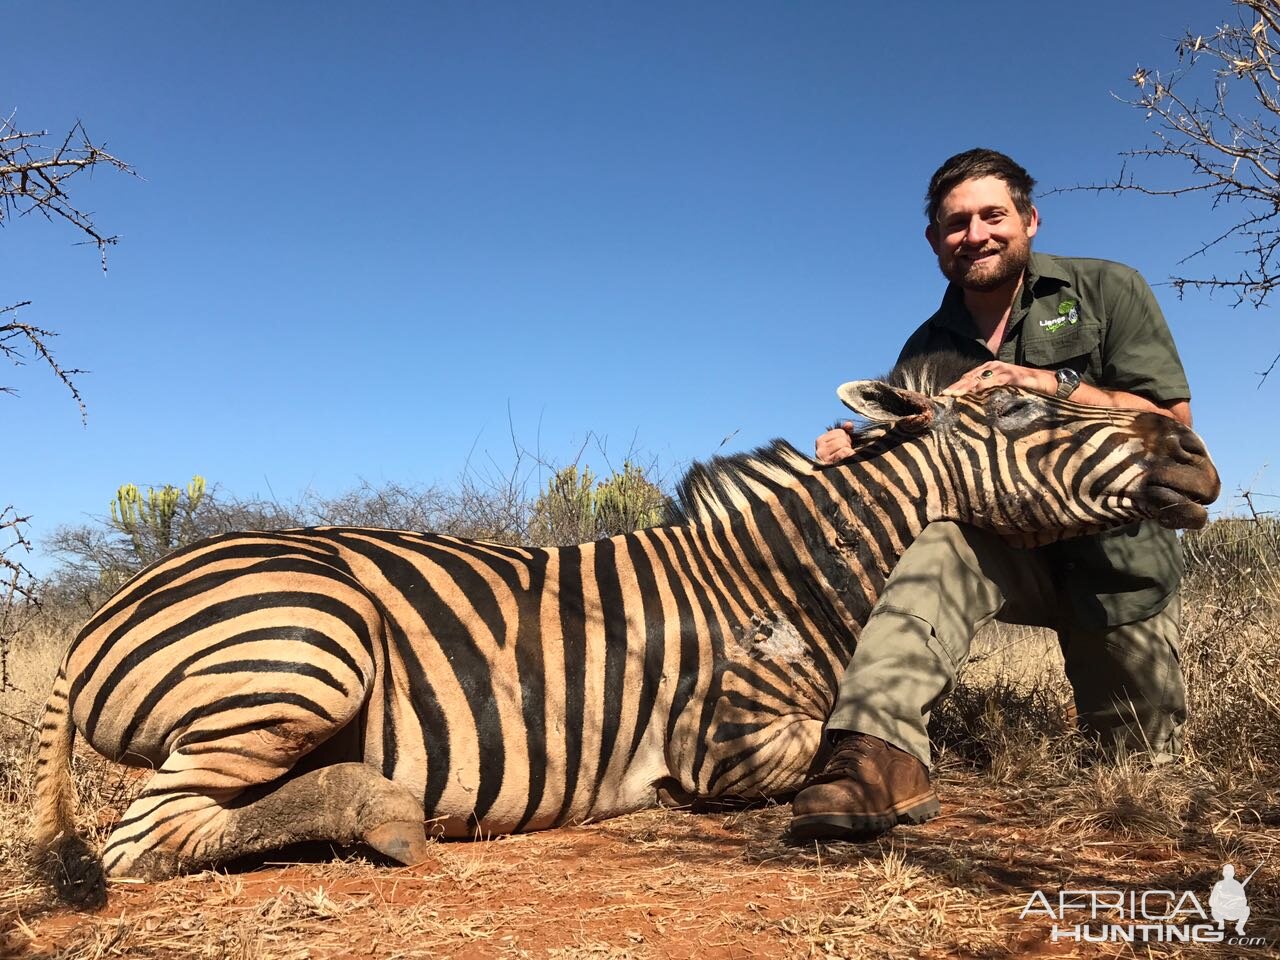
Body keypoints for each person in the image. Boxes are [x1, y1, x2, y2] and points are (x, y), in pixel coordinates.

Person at [789, 148, 1194, 842]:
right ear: (934, 241)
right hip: (1006, 552)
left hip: (1119, 568)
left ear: (1030, 220)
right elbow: (917, 456)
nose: (973, 234)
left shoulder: (1107, 290)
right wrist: (855, 445)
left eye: (991, 215)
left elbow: (1171, 428)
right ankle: (876, 756)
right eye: (955, 223)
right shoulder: (928, 342)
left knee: (1140, 784)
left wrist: (1052, 387)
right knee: (939, 544)